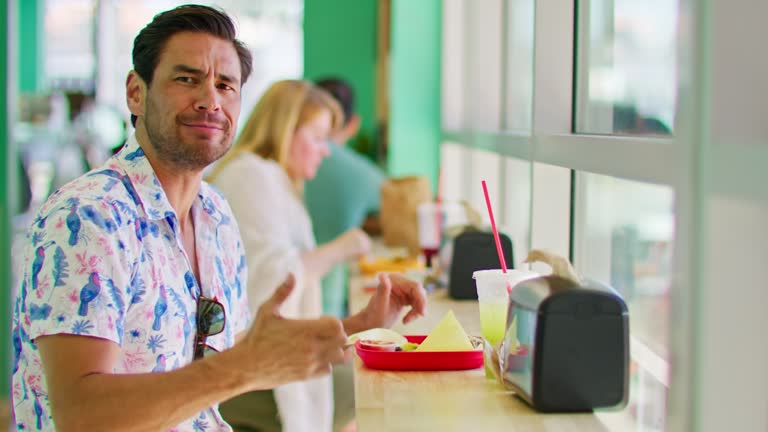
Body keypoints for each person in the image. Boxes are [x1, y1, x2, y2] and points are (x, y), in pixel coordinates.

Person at [10, 6, 426, 432]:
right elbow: (81, 417)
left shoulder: (216, 216)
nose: (210, 100)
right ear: (136, 92)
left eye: (225, 85)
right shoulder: (89, 217)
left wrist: (355, 329)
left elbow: (235, 351)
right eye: (186, 79)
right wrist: (239, 369)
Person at [208, 80, 400, 432]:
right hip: (251, 376)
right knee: (386, 391)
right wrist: (341, 247)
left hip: (266, 359)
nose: (325, 151)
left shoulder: (274, 181)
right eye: (316, 138)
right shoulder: (251, 176)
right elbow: (274, 279)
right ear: (285, 132)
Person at [304, 77, 386, 319]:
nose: (325, 151)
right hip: (325, 308)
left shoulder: (272, 172)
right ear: (353, 124)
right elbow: (399, 208)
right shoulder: (360, 173)